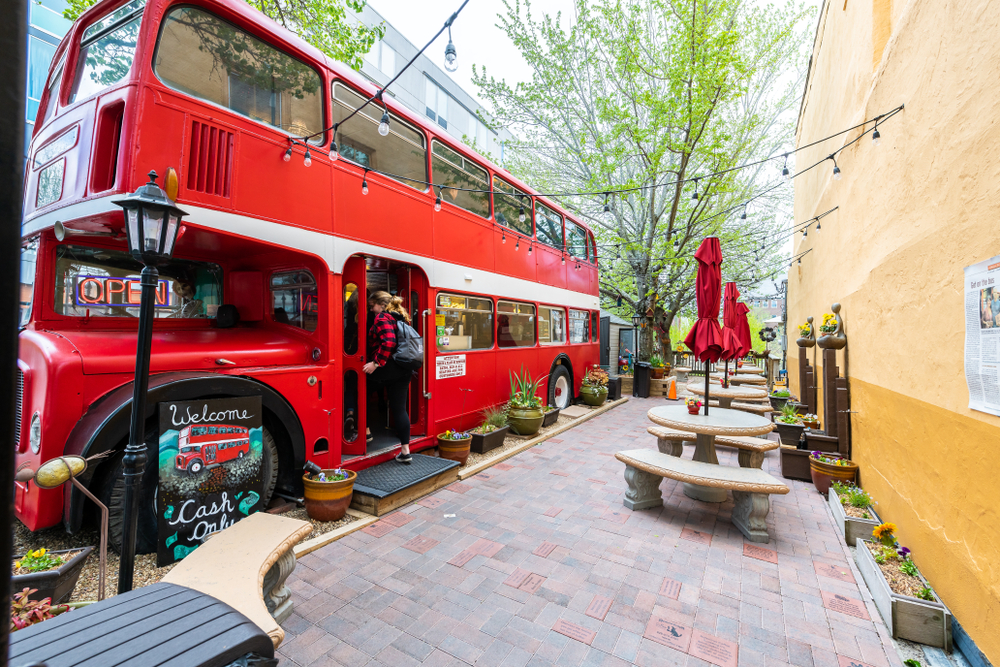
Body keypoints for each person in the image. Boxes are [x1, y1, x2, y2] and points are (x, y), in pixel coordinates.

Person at [363, 291, 414, 464]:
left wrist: (375, 363)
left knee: (361, 392)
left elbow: (389, 342)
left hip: (386, 368)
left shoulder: (382, 318)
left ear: (381, 304)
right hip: (403, 369)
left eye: (372, 306)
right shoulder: (401, 316)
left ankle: (366, 431)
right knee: (400, 409)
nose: (371, 310)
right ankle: (405, 451)